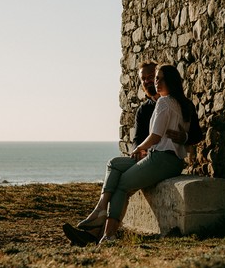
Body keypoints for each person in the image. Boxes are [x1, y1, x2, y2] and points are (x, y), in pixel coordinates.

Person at [68, 64, 198, 244]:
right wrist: (142, 150)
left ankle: (108, 234)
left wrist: (138, 149)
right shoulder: (178, 103)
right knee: (114, 164)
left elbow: (155, 136)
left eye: (158, 78)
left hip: (160, 158)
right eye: (153, 79)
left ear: (170, 81)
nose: (154, 82)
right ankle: (100, 213)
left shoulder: (165, 102)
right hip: (165, 159)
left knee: (122, 185)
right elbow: (146, 137)